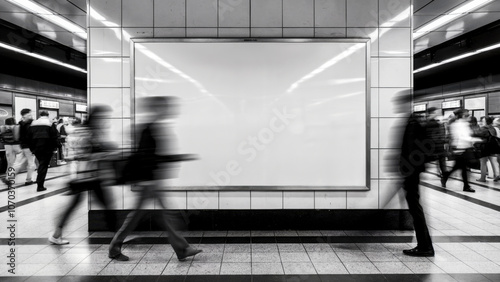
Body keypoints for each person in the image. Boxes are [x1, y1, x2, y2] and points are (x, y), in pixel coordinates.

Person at [109, 96, 202, 261]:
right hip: (149, 181)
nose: (167, 110)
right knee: (160, 215)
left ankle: (181, 249)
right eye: (164, 107)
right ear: (157, 109)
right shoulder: (148, 129)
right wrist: (175, 159)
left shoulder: (152, 127)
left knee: (155, 215)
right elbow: (147, 158)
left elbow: (154, 156)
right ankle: (115, 246)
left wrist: (177, 157)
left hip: (151, 180)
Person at [49, 106, 117, 245]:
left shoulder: (90, 131)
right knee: (106, 204)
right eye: (103, 118)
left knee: (104, 203)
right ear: (96, 118)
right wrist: (107, 153)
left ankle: (57, 234)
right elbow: (85, 154)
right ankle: (118, 235)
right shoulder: (87, 132)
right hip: (84, 176)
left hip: (89, 176)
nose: (105, 121)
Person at [441, 109, 481, 192]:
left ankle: (447, 176)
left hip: (466, 148)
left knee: (460, 167)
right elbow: (461, 137)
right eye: (467, 115)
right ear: (462, 115)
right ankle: (465, 185)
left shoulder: (465, 124)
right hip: (460, 148)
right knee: (463, 166)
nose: (469, 116)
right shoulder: (456, 125)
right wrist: (476, 139)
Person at [28, 111, 58, 192]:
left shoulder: (33, 123)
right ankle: (40, 185)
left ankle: (39, 181)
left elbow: (29, 137)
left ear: (40, 115)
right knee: (43, 165)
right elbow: (54, 136)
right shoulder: (50, 123)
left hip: (36, 148)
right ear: (47, 115)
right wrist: (56, 147)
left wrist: (32, 148)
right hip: (47, 148)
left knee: (41, 164)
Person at [475, 116, 500, 182]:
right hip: (493, 147)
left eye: (482, 121)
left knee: (483, 162)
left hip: (484, 148)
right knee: (494, 161)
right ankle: (497, 174)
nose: (481, 122)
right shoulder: (494, 128)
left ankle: (482, 178)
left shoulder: (483, 129)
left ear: (486, 122)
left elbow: (477, 136)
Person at [424, 107, 447, 178]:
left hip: (436, 146)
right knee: (441, 161)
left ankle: (444, 174)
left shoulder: (427, 122)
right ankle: (444, 174)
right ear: (432, 113)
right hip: (435, 146)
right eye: (436, 112)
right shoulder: (433, 123)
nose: (437, 113)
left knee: (441, 161)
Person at [0, 117, 20, 186]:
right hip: (15, 145)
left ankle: (8, 176)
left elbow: (1, 139)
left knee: (10, 162)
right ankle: (9, 177)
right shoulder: (16, 128)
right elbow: (18, 137)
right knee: (15, 162)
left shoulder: (3, 129)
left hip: (7, 146)